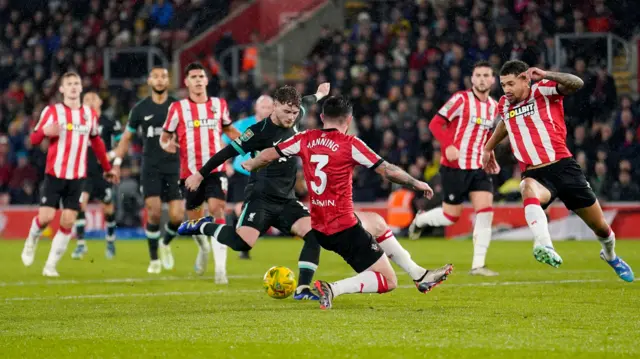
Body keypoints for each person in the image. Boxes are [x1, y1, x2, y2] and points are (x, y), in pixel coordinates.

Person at [240, 95, 453, 309]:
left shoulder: (304, 138)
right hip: (344, 229)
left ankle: (419, 275)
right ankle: (333, 288)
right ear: (349, 120)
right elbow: (387, 170)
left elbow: (270, 154)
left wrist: (252, 163)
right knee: (389, 281)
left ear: (322, 117)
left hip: (320, 225)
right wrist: (416, 183)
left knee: (377, 222)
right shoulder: (350, 144)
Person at [482, 60, 634, 282]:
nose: (506, 89)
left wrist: (546, 74)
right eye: (503, 84)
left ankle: (610, 256)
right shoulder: (505, 104)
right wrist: (488, 148)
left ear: (525, 78)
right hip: (535, 174)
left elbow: (577, 83)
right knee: (526, 187)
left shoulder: (544, 88)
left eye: (511, 83)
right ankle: (545, 244)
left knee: (601, 227)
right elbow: (505, 123)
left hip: (564, 168)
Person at [21, 72, 119, 277]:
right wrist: (44, 132)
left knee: (68, 221)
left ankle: (50, 266)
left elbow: (97, 143)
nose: (74, 86)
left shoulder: (88, 115)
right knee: (46, 217)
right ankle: (31, 241)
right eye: (70, 84)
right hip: (55, 174)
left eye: (77, 83)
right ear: (62, 89)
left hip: (78, 177)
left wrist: (107, 168)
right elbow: (34, 139)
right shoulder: (52, 111)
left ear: (81, 88)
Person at [409, 61, 500, 276]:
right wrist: (448, 145)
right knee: (452, 216)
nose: (482, 79)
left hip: (478, 166)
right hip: (454, 167)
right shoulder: (460, 99)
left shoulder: (494, 106)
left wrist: (490, 153)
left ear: (493, 80)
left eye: (486, 75)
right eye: (478, 75)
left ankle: (478, 265)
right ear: (471, 78)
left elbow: (487, 134)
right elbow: (435, 123)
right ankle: (421, 219)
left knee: (486, 211)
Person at [160, 62, 241, 284]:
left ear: (206, 80)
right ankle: (204, 249)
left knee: (216, 209)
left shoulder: (219, 104)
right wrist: (166, 144)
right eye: (193, 76)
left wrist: (246, 141)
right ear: (186, 82)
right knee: (194, 221)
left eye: (200, 76)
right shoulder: (177, 108)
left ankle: (221, 271)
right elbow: (165, 136)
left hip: (216, 169)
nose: (197, 80)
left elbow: (228, 129)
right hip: (189, 174)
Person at [112, 67, 184, 274]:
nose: (160, 80)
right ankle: (154, 259)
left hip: (174, 166)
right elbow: (126, 138)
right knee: (153, 213)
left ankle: (166, 244)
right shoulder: (140, 109)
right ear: (149, 81)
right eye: (156, 76)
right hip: (150, 166)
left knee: (177, 216)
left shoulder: (177, 107)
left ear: (168, 81)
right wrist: (117, 163)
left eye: (163, 76)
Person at [222, 95, 274, 260]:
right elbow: (223, 140)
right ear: (256, 108)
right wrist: (227, 163)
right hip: (242, 172)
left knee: (259, 209)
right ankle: (241, 242)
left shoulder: (278, 126)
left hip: (266, 173)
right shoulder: (244, 124)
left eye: (269, 107)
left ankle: (240, 234)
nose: (266, 109)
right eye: (263, 106)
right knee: (242, 207)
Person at [71, 92, 122, 260]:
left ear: (100, 101)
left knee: (108, 208)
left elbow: (123, 144)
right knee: (80, 205)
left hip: (103, 173)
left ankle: (110, 242)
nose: (90, 101)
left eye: (93, 98)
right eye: (86, 99)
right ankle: (80, 245)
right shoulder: (78, 122)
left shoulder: (109, 122)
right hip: (84, 172)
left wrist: (112, 156)